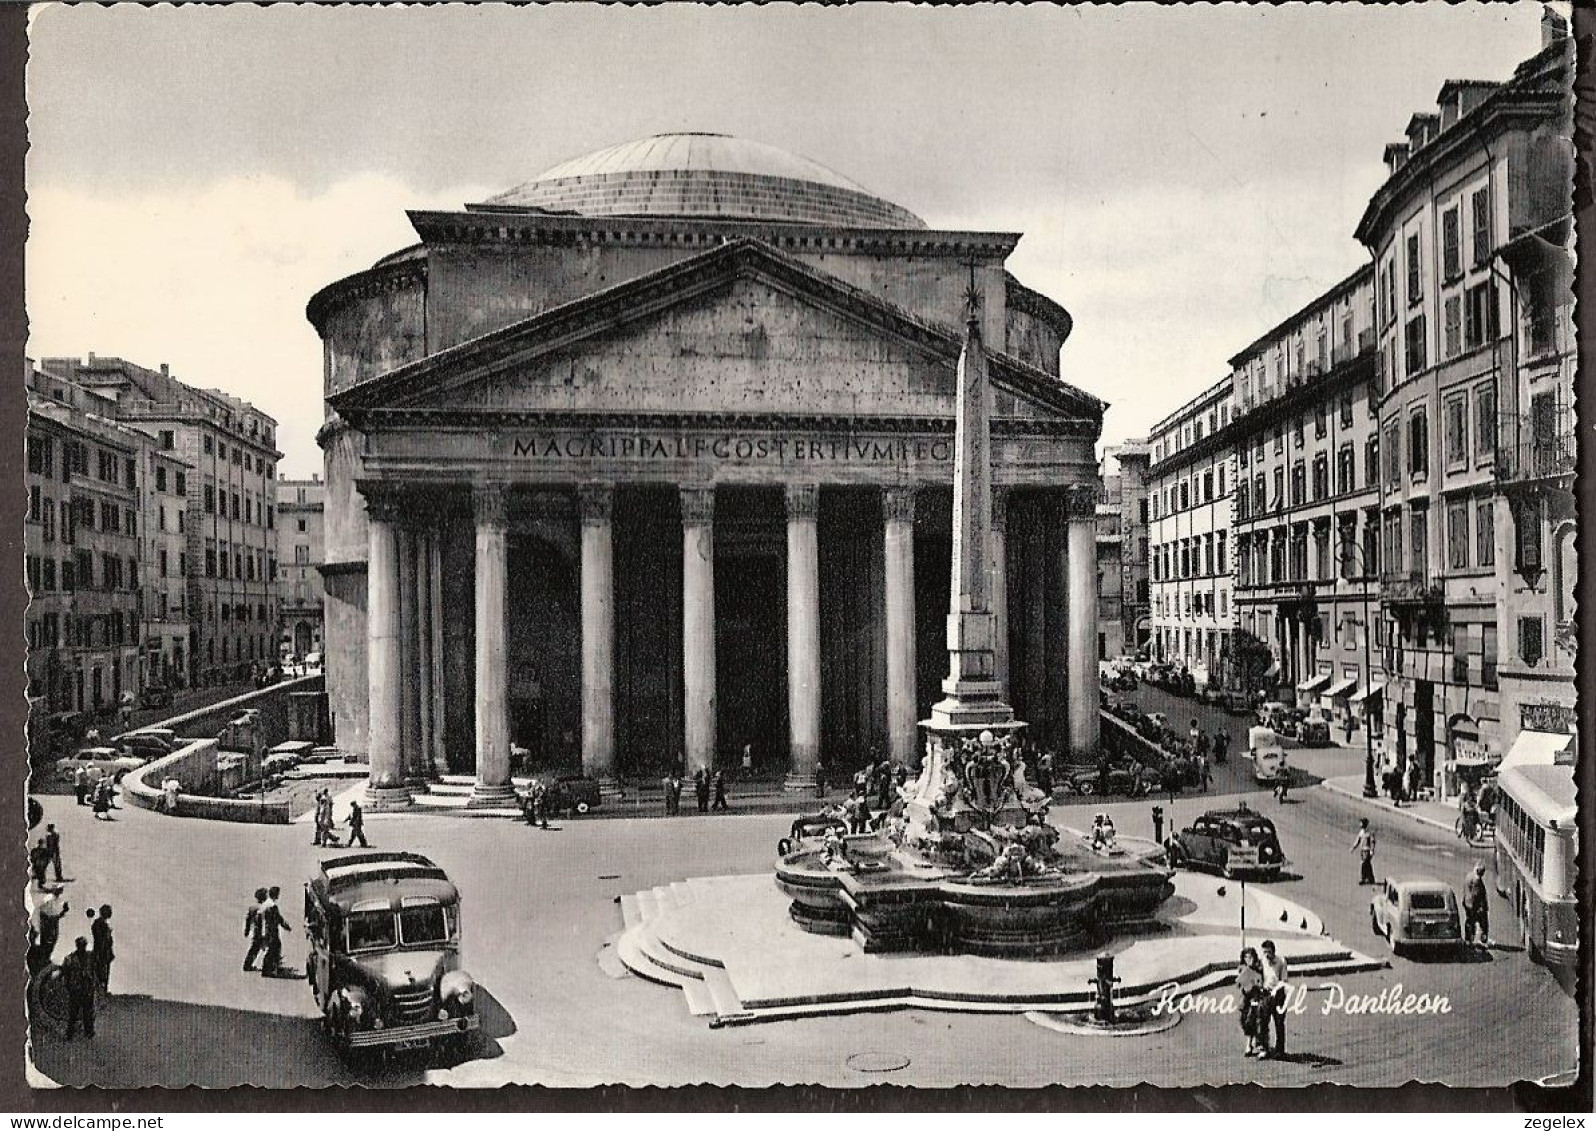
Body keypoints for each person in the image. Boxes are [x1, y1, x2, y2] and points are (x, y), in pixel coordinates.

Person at [28, 886, 69, 975]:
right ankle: (44, 959)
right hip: (50, 924)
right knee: (49, 942)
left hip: (49, 924)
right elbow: (50, 914)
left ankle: (45, 958)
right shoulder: (51, 902)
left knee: (49, 942)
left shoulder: (53, 901)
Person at [61, 936, 96, 1040]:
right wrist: (68, 985)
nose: (82, 947)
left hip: (86, 988)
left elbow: (93, 972)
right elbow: (65, 972)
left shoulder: (90, 957)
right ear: (77, 945)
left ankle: (88, 1033)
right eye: (80, 945)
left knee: (87, 1013)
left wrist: (93, 985)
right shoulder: (70, 958)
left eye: (83, 945)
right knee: (74, 1013)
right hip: (76, 989)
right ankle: (70, 1034)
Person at [1259, 939, 1289, 1058]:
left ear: (1274, 951)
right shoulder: (1262, 962)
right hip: (1266, 995)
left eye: (1269, 952)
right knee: (1263, 1023)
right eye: (1265, 952)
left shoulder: (1281, 961)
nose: (1267, 955)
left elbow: (1284, 980)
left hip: (1279, 995)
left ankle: (1280, 1050)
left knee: (1279, 1023)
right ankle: (1264, 1048)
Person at [1237, 947, 1266, 1057]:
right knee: (1244, 1020)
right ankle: (1250, 1041)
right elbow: (1239, 984)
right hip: (1245, 997)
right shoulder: (1242, 969)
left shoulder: (1258, 969)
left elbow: (1261, 982)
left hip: (1256, 996)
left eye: (1251, 957)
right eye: (1246, 957)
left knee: (1255, 1019)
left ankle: (1253, 1044)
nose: (1249, 959)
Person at [261, 886, 290, 977]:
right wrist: (286, 926)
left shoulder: (266, 903)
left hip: (267, 929)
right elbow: (278, 918)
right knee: (274, 948)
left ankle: (271, 968)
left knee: (273, 948)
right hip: (272, 930)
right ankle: (268, 969)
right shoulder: (272, 906)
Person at [1463, 861, 1491, 947]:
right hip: (1475, 906)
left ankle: (1468, 939)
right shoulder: (1477, 881)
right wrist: (1481, 907)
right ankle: (1482, 939)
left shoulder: (1468, 876)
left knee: (1469, 921)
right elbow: (1477, 895)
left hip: (1467, 903)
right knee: (1483, 924)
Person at [90, 904, 114, 994]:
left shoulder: (102, 923)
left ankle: (102, 991)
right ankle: (100, 992)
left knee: (104, 973)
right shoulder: (99, 923)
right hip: (101, 952)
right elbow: (101, 940)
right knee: (101, 973)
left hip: (104, 952)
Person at [243, 887, 268, 971]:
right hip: (262, 932)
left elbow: (248, 920)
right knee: (263, 948)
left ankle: (247, 964)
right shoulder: (265, 908)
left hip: (256, 931)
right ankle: (269, 966)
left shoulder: (252, 907)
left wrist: (246, 931)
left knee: (254, 948)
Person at [1352, 817, 1376, 885]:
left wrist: (1372, 850)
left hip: (1367, 851)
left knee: (1363, 864)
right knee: (1367, 864)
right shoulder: (1361, 832)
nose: (1360, 824)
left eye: (1361, 823)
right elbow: (1358, 840)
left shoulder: (1369, 833)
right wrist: (1353, 847)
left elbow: (1372, 841)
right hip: (1362, 851)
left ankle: (1363, 878)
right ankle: (1370, 878)